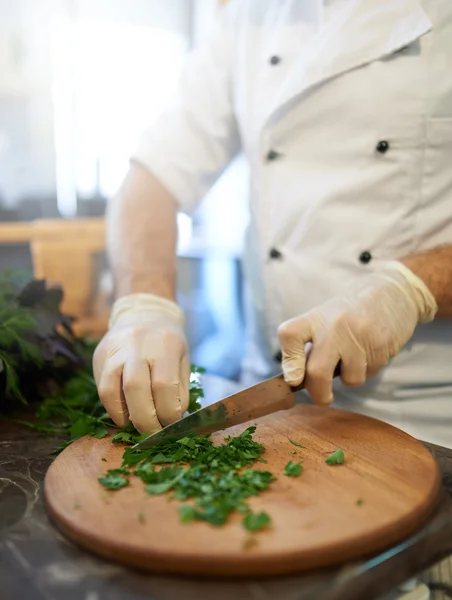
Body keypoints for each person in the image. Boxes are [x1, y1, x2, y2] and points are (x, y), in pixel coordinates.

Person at [93, 0, 452, 451]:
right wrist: (144, 305)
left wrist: (410, 288)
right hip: (270, 408)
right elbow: (151, 179)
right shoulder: (250, 16)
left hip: (426, 418)